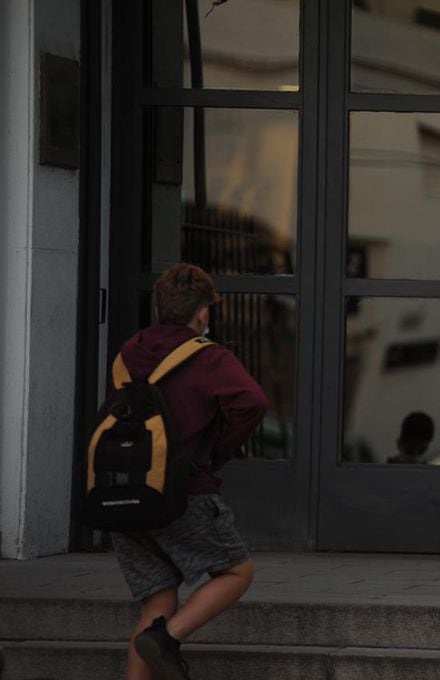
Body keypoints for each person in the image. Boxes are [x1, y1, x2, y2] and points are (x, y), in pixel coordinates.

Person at [109, 264, 268, 680]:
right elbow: (252, 402)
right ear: (203, 314)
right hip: (183, 491)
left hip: (126, 493)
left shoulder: (128, 353)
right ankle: (169, 638)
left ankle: (160, 634)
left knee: (156, 606)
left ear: (160, 306)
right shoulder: (209, 356)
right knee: (237, 571)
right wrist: (218, 451)